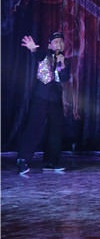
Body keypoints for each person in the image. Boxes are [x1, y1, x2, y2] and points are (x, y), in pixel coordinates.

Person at [17, 32, 71, 174]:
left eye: (61, 41)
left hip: (55, 99)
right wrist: (33, 49)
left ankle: (50, 162)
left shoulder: (65, 60)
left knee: (55, 131)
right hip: (40, 97)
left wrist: (62, 64)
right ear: (49, 45)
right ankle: (22, 159)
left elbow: (65, 78)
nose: (59, 44)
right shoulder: (44, 54)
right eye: (56, 41)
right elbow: (37, 54)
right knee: (34, 128)